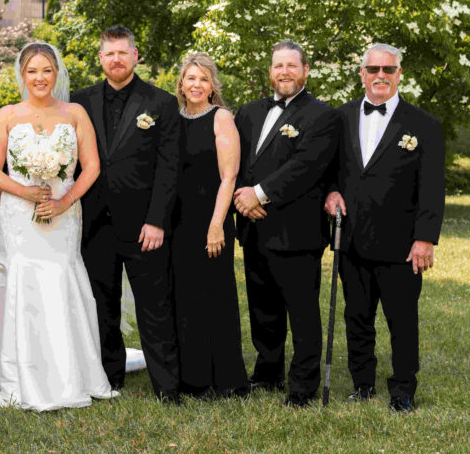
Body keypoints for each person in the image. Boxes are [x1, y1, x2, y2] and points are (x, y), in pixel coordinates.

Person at [0, 42, 114, 410]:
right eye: (32, 71)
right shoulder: (6, 115)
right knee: (23, 283)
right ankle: (20, 375)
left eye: (47, 70)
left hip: (64, 216)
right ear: (22, 75)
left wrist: (63, 202)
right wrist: (25, 192)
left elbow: (93, 167)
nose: (40, 78)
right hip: (20, 218)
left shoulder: (75, 113)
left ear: (57, 74)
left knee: (61, 281)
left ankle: (72, 375)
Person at [325, 44, 445, 412]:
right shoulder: (340, 118)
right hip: (352, 239)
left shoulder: (423, 124)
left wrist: (425, 238)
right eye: (373, 68)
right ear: (362, 73)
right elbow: (328, 170)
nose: (380, 75)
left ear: (399, 74)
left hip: (402, 244)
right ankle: (362, 384)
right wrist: (330, 192)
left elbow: (432, 187)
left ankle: (403, 390)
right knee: (356, 317)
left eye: (388, 70)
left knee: (402, 321)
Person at [71, 25, 181, 403]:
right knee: (100, 305)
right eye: (109, 53)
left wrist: (157, 220)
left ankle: (167, 385)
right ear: (100, 59)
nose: (116, 59)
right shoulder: (78, 102)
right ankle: (107, 378)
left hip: (143, 225)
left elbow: (169, 168)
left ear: (136, 56)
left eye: (123, 52)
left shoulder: (162, 103)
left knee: (155, 306)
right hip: (93, 223)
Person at [232, 40, 338, 408]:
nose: (285, 72)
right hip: (253, 227)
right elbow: (234, 163)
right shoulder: (246, 113)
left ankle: (303, 386)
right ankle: (267, 372)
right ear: (271, 70)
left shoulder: (322, 116)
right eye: (279, 65)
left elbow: (305, 168)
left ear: (305, 70)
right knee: (263, 309)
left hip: (296, 230)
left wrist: (258, 194)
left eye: (292, 65)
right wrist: (240, 199)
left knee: (302, 312)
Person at [171, 53, 250, 399]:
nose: (196, 85)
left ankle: (228, 380)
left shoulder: (221, 118)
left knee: (215, 296)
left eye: (203, 79)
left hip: (211, 219)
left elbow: (229, 175)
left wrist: (217, 224)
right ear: (181, 84)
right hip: (179, 222)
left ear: (212, 85)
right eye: (191, 78)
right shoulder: (173, 119)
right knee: (185, 298)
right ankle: (194, 379)